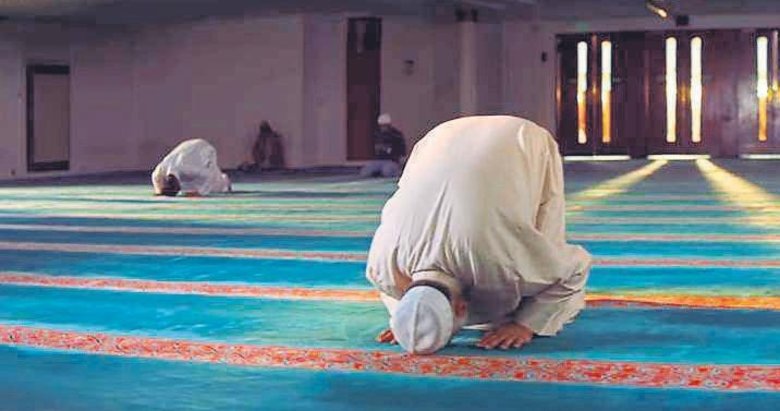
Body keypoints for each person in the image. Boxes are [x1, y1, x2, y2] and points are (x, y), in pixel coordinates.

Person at [366, 116, 591, 355]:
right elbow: (398, 296)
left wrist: (526, 324)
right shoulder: (383, 269)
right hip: (440, 135)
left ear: (461, 307)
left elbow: (574, 271)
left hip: (520, 139)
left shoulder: (503, 264)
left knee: (544, 228)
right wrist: (408, 321)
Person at [152, 138, 232, 197]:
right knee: (191, 186)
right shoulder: (157, 174)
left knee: (216, 184)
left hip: (204, 150)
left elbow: (209, 176)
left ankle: (225, 181)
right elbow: (160, 192)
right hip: (189, 149)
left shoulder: (191, 169)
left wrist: (200, 192)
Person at [360, 114, 407, 178]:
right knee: (365, 172)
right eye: (381, 126)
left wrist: (401, 160)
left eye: (385, 126)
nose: (383, 128)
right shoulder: (377, 135)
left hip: (391, 161)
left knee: (387, 171)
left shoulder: (396, 135)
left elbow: (402, 152)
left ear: (389, 125)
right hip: (378, 161)